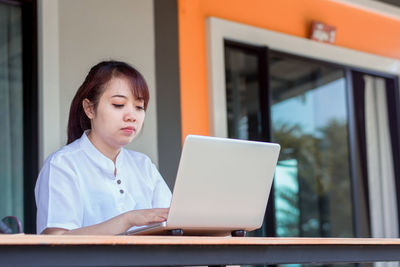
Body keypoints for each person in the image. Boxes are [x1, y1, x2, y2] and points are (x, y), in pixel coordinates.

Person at [35, 60, 172, 235]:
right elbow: (56, 242)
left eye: (139, 107)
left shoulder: (144, 165)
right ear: (89, 108)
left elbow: (174, 223)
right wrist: (127, 219)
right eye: (118, 105)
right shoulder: (63, 165)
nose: (132, 116)